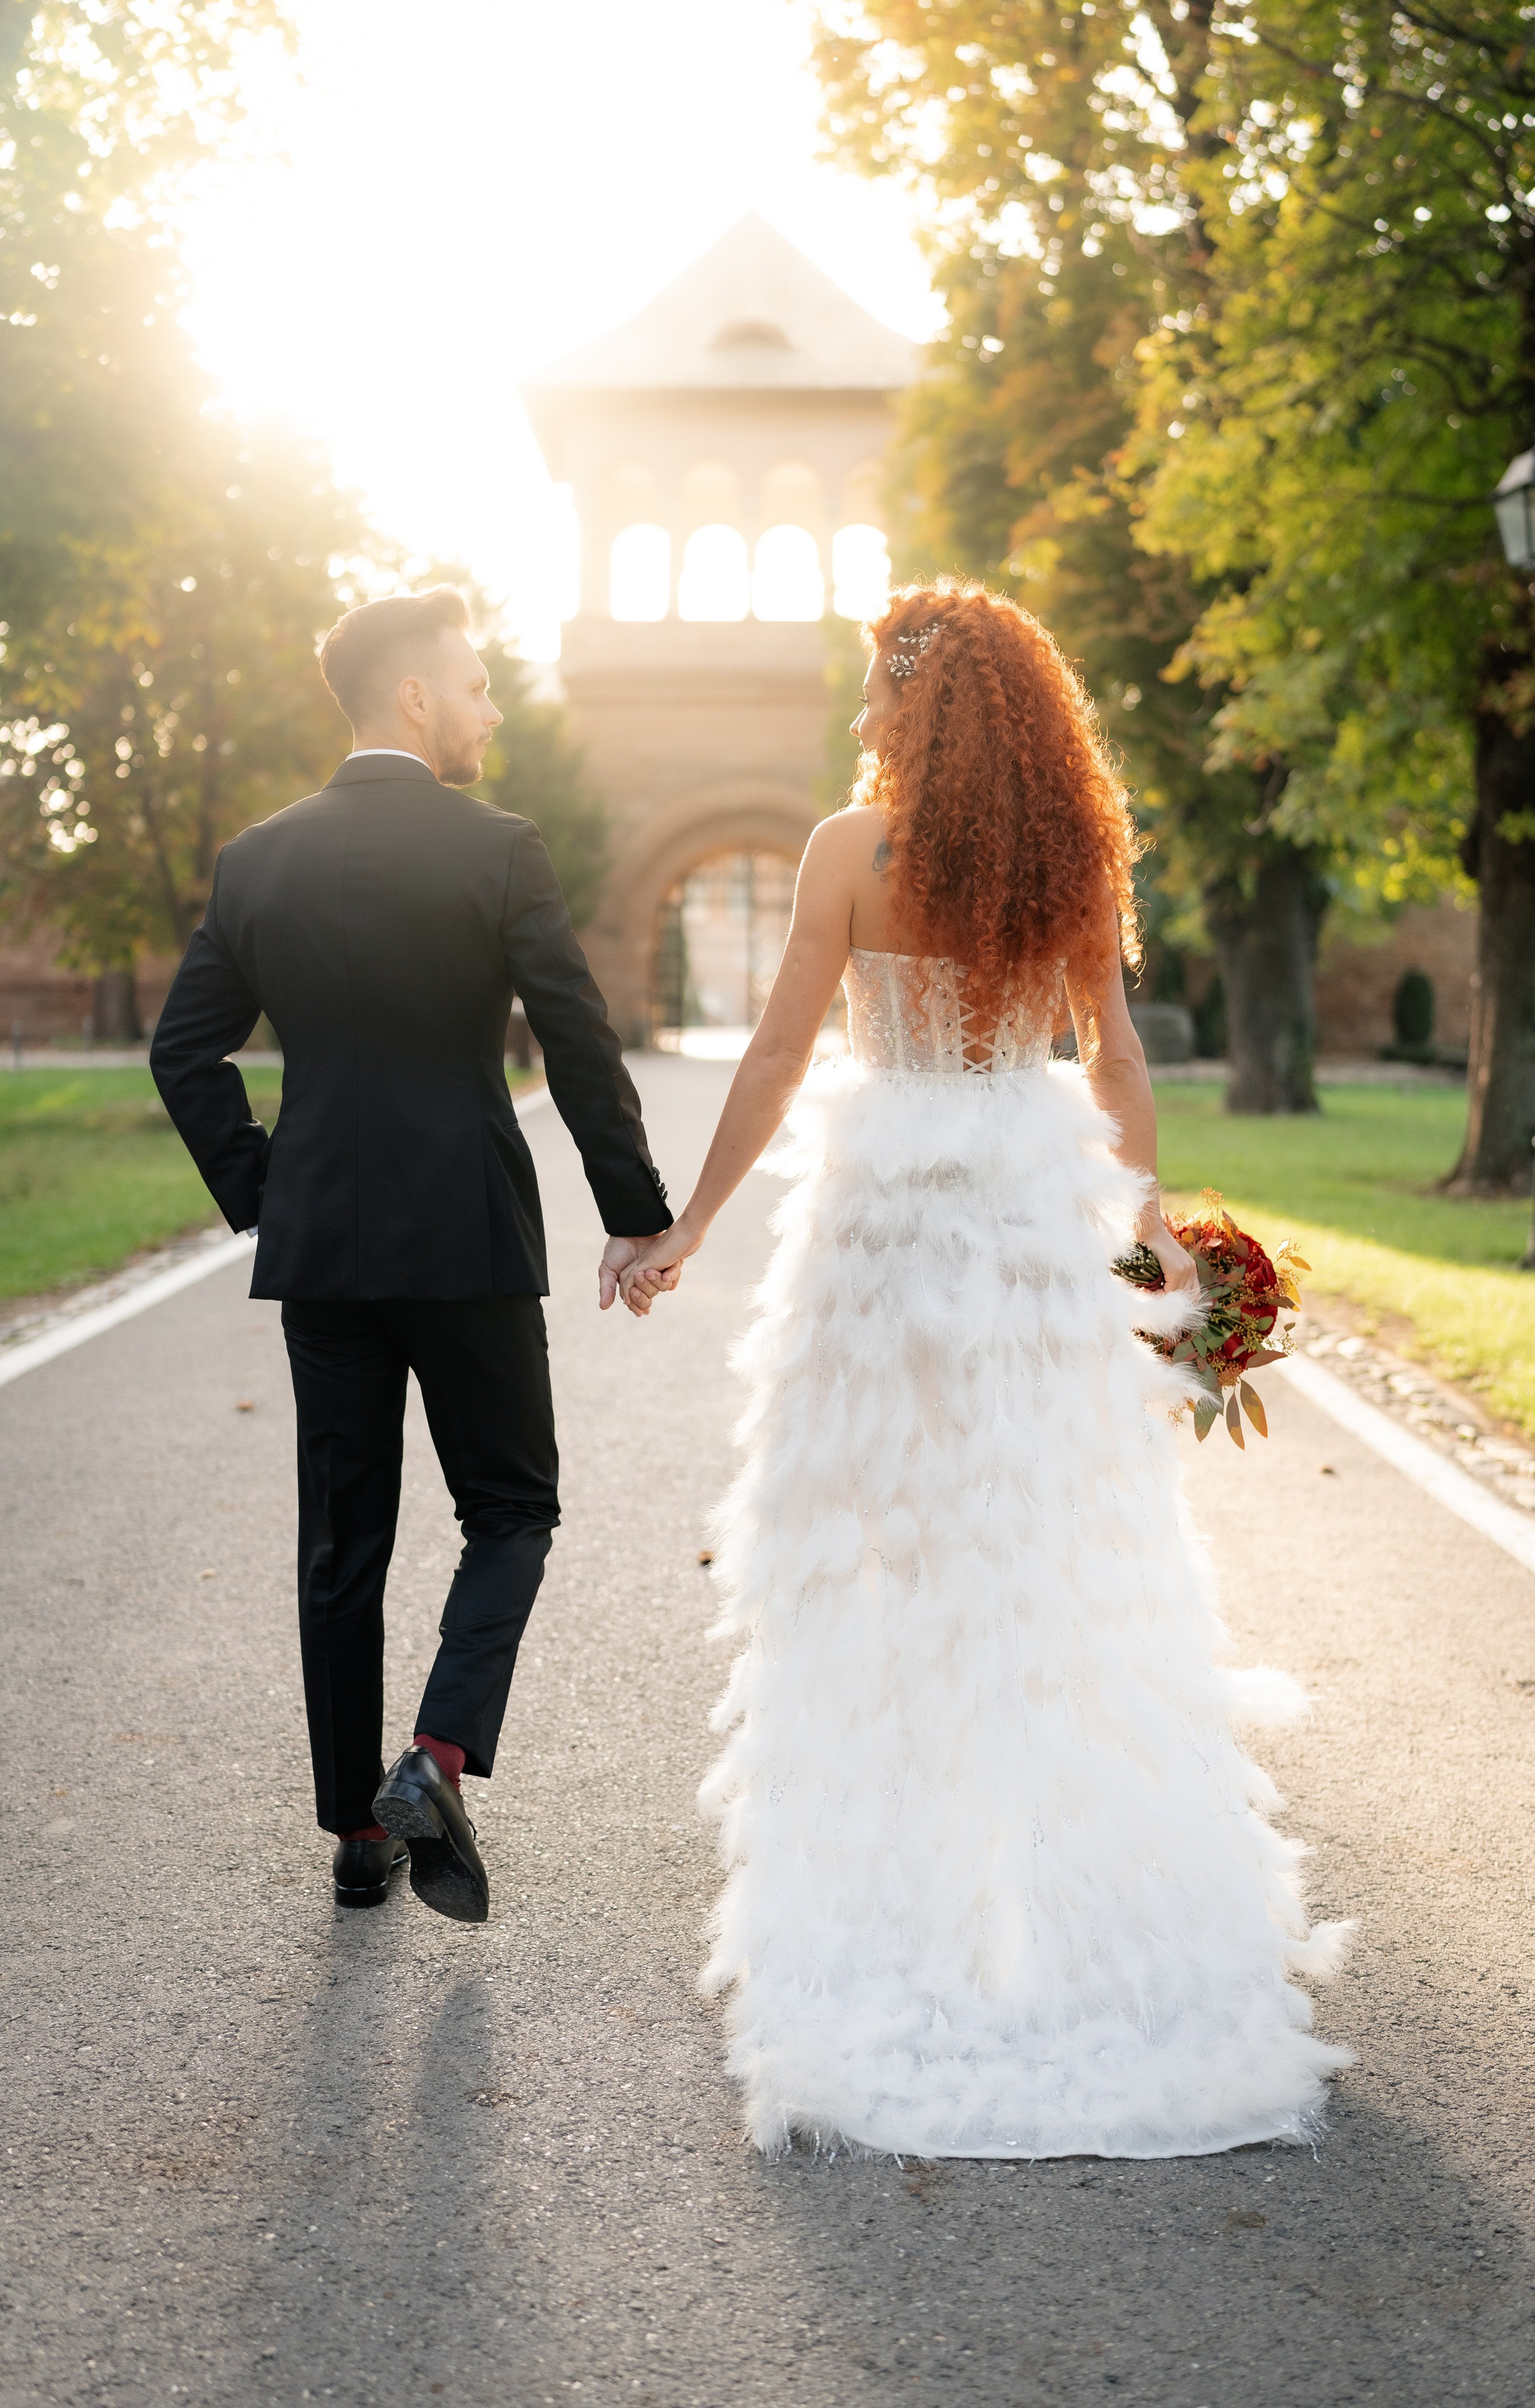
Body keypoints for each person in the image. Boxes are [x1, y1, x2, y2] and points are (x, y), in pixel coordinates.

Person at [623, 579, 1352, 2160]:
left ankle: (891, 1885)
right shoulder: (1066, 859)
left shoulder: (845, 853)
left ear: (905, 704)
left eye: (878, 693)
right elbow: (1112, 1057)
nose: (865, 717)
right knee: (1047, 1551)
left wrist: (686, 1225)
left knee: (873, 1552)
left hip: (885, 1215)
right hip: (1027, 1204)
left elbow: (773, 1053)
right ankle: (1083, 1908)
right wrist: (1145, 1234)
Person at [150, 586, 671, 1923]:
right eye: (482, 684)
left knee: (344, 1540)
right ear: (417, 698)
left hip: (323, 1248)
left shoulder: (257, 859)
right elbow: (575, 1038)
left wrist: (271, 1194)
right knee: (510, 1510)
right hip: (468, 1238)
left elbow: (184, 1050)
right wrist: (633, 1210)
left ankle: (353, 1836)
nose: (495, 707)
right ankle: (430, 1761)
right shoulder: (500, 849)